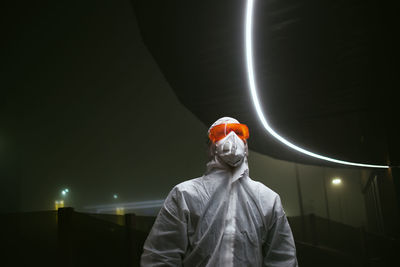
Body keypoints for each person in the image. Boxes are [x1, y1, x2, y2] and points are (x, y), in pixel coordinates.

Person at [141, 117, 298, 266]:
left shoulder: (268, 199)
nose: (231, 137)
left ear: (246, 146)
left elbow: (283, 259)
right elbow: (160, 257)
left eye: (237, 132)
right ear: (211, 147)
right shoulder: (185, 195)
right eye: (221, 133)